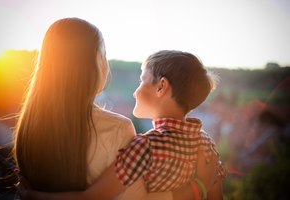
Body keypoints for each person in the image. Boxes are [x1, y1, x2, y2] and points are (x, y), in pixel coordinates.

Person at [20, 50, 226, 200]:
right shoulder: (207, 145)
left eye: (142, 80)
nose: (135, 92)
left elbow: (92, 197)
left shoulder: (144, 147)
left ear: (162, 86)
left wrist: (33, 196)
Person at [14, 18, 177, 200]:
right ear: (92, 65)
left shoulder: (27, 126)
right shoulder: (117, 129)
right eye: (103, 54)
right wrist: (189, 190)